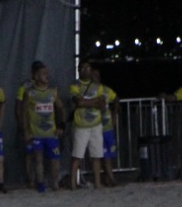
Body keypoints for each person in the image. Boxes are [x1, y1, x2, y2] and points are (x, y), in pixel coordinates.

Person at [15, 61, 64, 193]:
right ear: (36, 76)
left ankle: (55, 184)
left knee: (55, 160)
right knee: (38, 159)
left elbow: (60, 108)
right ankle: (40, 184)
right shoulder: (29, 93)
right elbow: (23, 112)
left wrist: (61, 126)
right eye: (43, 74)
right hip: (36, 133)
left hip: (51, 133)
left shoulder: (52, 92)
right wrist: (25, 131)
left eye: (47, 73)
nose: (46, 76)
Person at [67, 61, 106, 190]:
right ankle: (72, 183)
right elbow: (78, 102)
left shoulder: (97, 86)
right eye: (82, 68)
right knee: (77, 155)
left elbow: (102, 104)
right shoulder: (74, 86)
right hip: (81, 125)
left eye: (87, 68)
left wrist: (86, 102)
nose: (85, 70)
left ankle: (97, 182)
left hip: (95, 124)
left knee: (97, 155)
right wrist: (94, 102)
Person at [91, 68, 118, 187]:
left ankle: (109, 177)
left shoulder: (106, 90)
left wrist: (114, 114)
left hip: (107, 127)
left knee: (108, 155)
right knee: (99, 155)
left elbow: (116, 99)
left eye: (97, 74)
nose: (96, 76)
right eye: (93, 74)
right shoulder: (88, 92)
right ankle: (107, 178)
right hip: (95, 128)